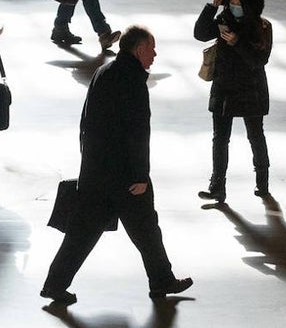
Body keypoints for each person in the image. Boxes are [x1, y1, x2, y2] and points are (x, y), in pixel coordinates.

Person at [40, 26, 193, 305]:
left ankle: (54, 284)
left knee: (82, 235)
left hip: (97, 172)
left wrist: (88, 165)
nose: (155, 54)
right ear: (139, 49)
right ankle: (162, 280)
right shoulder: (133, 81)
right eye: (152, 48)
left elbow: (86, 123)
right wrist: (141, 175)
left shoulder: (104, 72)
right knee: (146, 230)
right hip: (125, 177)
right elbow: (137, 133)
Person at [193, 0, 273, 202]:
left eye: (238, 4)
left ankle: (262, 182)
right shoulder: (224, 19)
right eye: (231, 3)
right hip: (224, 88)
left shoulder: (262, 27)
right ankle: (217, 186)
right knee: (220, 138)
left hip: (251, 89)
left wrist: (237, 42)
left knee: (255, 135)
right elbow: (200, 34)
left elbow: (259, 60)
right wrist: (212, 6)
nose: (234, 7)